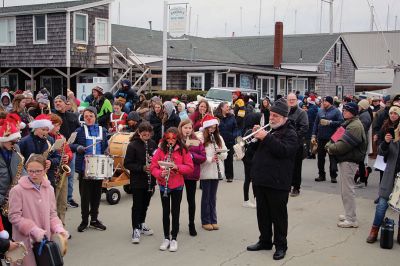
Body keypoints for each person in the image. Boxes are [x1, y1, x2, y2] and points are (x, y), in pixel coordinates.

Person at [246, 98, 298, 261]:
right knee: (263, 214)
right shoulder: (269, 131)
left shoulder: (290, 133)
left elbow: (283, 151)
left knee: (279, 216)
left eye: (276, 115)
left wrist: (265, 137)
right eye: (271, 115)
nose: (272, 118)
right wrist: (255, 137)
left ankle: (281, 245)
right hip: (261, 180)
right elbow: (253, 151)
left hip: (278, 183)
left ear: (284, 117)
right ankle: (265, 240)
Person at [8, 154, 69, 266]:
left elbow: (52, 214)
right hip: (25, 243)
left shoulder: (49, 189)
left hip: (44, 242)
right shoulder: (17, 190)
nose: (34, 174)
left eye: (38, 171)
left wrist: (58, 228)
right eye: (30, 171)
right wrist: (32, 229)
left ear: (45, 170)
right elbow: (14, 216)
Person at [150, 127, 194, 252]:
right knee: (165, 212)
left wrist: (177, 167)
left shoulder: (183, 150)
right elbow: (153, 166)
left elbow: (190, 167)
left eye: (173, 139)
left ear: (177, 139)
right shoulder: (160, 150)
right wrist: (160, 173)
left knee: (175, 211)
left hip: (177, 185)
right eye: (168, 139)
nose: (171, 141)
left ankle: (174, 238)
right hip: (164, 184)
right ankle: (166, 238)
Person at [325, 102, 367, 228]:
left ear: (353, 112)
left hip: (349, 160)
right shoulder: (348, 123)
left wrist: (330, 148)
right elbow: (335, 138)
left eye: (347, 111)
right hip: (345, 160)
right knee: (345, 189)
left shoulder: (354, 126)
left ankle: (351, 219)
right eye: (343, 110)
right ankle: (349, 214)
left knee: (348, 190)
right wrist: (330, 145)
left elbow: (343, 146)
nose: (344, 112)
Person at [70, 107, 108, 233]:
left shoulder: (102, 130)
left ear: (95, 116)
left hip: (98, 168)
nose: (88, 118)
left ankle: (94, 219)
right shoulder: (79, 131)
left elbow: (105, 146)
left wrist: (107, 151)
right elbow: (70, 144)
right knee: (85, 196)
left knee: (96, 195)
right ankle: (84, 220)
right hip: (84, 168)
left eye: (91, 115)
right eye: (86, 116)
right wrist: (78, 147)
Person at [366, 125, 400, 244]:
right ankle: (374, 230)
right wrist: (385, 142)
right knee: (381, 206)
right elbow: (381, 153)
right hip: (389, 178)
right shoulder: (393, 141)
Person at [124, 122, 157, 244]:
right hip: (138, 180)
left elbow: (157, 160)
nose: (146, 137)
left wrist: (154, 164)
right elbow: (127, 163)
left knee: (145, 204)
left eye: (148, 135)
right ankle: (135, 228)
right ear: (139, 133)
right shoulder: (133, 145)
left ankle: (142, 223)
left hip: (150, 180)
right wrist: (142, 167)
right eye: (144, 135)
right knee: (137, 205)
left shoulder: (153, 144)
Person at [199, 114, 228, 231]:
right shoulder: (200, 138)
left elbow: (225, 154)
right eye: (210, 127)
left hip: (216, 170)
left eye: (214, 127)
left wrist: (220, 153)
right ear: (206, 127)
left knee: (213, 197)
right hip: (206, 169)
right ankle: (205, 220)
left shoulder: (219, 137)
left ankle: (213, 219)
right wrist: (210, 158)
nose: (212, 129)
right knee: (206, 196)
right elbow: (199, 155)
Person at [178, 119, 206, 236]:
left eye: (190, 128)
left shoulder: (197, 141)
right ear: (181, 128)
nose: (188, 130)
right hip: (178, 173)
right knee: (176, 201)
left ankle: (191, 224)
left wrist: (192, 155)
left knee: (191, 200)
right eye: (185, 128)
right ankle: (176, 224)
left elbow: (202, 157)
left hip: (191, 174)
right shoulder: (176, 140)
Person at [18, 114, 60, 189]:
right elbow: (18, 161)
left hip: (46, 176)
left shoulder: (50, 140)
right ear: (36, 128)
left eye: (47, 130)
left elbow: (57, 157)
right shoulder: (24, 141)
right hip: (29, 176)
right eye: (43, 130)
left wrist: (51, 161)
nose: (45, 132)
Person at [53, 95, 81, 208]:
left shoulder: (73, 116)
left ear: (66, 103)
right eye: (55, 101)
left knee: (70, 176)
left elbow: (78, 130)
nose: (57, 103)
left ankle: (68, 199)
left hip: (70, 150)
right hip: (56, 150)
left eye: (60, 101)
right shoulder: (53, 116)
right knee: (57, 177)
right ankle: (57, 199)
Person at [312, 96, 343, 183]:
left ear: (330, 102)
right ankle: (321, 175)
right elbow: (316, 123)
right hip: (321, 137)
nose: (323, 103)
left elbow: (342, 122)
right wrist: (314, 135)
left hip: (332, 138)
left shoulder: (336, 111)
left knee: (332, 158)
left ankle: (333, 176)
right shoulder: (320, 111)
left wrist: (330, 122)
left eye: (325, 101)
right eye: (323, 101)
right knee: (320, 158)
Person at [49, 114, 73, 225]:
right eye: (56, 125)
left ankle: (61, 225)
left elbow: (69, 151)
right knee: (52, 203)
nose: (58, 128)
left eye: (59, 126)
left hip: (62, 173)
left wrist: (68, 156)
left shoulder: (61, 137)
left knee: (62, 202)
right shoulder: (47, 139)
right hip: (52, 174)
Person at [0, 119, 22, 236]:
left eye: (15, 142)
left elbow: (20, 168)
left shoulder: (16, 149)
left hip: (13, 197)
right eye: (11, 142)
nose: (14, 145)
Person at [287, 93, 309, 197]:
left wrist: (293, 137)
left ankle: (296, 188)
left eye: (293, 99)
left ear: (297, 100)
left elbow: (304, 128)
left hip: (297, 144)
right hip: (285, 143)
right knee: (286, 165)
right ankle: (287, 185)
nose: (291, 101)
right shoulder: (285, 112)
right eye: (289, 99)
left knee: (296, 167)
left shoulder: (302, 113)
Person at [241, 111, 262, 208]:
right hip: (248, 159)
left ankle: (255, 199)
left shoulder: (261, 132)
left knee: (254, 180)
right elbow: (245, 145)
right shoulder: (249, 132)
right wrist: (254, 136)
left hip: (255, 159)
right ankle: (247, 200)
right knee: (249, 179)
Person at [215, 102, 237, 182]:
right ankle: (219, 175)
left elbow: (235, 128)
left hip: (230, 141)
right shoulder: (216, 117)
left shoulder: (232, 117)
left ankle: (229, 176)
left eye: (229, 107)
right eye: (227, 107)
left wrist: (233, 135)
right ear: (222, 108)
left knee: (229, 159)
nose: (229, 108)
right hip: (219, 141)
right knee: (219, 158)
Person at [355, 99, 373, 186]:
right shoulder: (363, 114)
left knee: (361, 161)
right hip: (362, 139)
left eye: (359, 106)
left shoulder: (364, 116)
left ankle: (362, 180)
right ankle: (361, 179)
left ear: (363, 107)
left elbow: (362, 129)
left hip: (362, 140)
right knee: (360, 161)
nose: (358, 107)